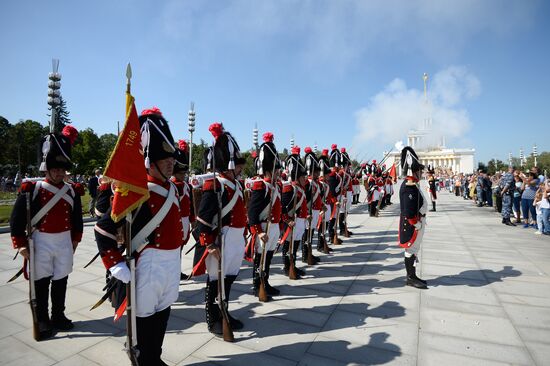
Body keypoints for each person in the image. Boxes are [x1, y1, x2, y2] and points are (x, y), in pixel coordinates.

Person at [95, 107, 184, 365]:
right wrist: (114, 262)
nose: (171, 162)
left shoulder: (172, 190)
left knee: (163, 315)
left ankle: (154, 357)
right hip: (147, 266)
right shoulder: (135, 190)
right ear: (149, 159)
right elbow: (103, 228)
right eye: (164, 157)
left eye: (171, 158)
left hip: (169, 265)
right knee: (144, 321)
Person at [10, 125, 83, 340]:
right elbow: (17, 220)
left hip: (64, 242)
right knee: (41, 283)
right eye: (55, 169)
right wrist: (21, 244)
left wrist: (75, 240)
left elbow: (77, 220)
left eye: (62, 170)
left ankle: (58, 315)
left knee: (61, 280)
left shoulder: (72, 190)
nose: (60, 173)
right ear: (47, 169)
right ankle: (42, 319)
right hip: (40, 240)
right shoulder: (33, 189)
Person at [194, 123, 247, 337]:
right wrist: (209, 243)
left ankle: (224, 311)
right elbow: (203, 219)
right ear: (230, 163)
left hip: (234, 239)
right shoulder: (215, 185)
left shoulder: (236, 184)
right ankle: (213, 319)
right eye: (238, 163)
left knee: (229, 279)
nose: (241, 167)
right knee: (216, 281)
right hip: (221, 240)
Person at [247, 132, 282, 298]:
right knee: (260, 259)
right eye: (276, 170)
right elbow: (252, 212)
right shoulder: (261, 186)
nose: (279, 173)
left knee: (268, 258)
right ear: (269, 170)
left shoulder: (275, 186)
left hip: (273, 227)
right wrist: (257, 231)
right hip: (263, 228)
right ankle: (257, 285)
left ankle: (265, 282)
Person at [398, 146, 428, 289]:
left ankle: (413, 275)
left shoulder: (413, 184)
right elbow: (409, 211)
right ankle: (410, 277)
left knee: (414, 250)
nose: (421, 172)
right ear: (415, 170)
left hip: (417, 222)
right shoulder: (409, 187)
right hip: (412, 224)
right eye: (420, 170)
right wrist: (416, 224)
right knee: (410, 250)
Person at [172, 140, 194, 280]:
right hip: (177, 222)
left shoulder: (184, 185)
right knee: (174, 250)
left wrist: (192, 219)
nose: (183, 174)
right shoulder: (175, 185)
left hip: (185, 220)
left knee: (179, 250)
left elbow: (190, 204)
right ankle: (174, 271)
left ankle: (177, 270)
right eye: (181, 172)